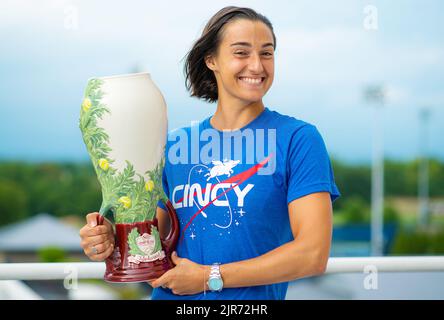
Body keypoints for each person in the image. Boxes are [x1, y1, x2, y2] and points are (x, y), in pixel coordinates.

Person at [79, 6, 341, 300]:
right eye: (241, 53)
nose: (257, 66)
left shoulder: (298, 139)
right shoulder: (174, 145)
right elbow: (151, 244)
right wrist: (111, 241)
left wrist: (209, 277)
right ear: (211, 59)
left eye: (266, 53)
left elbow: (312, 254)